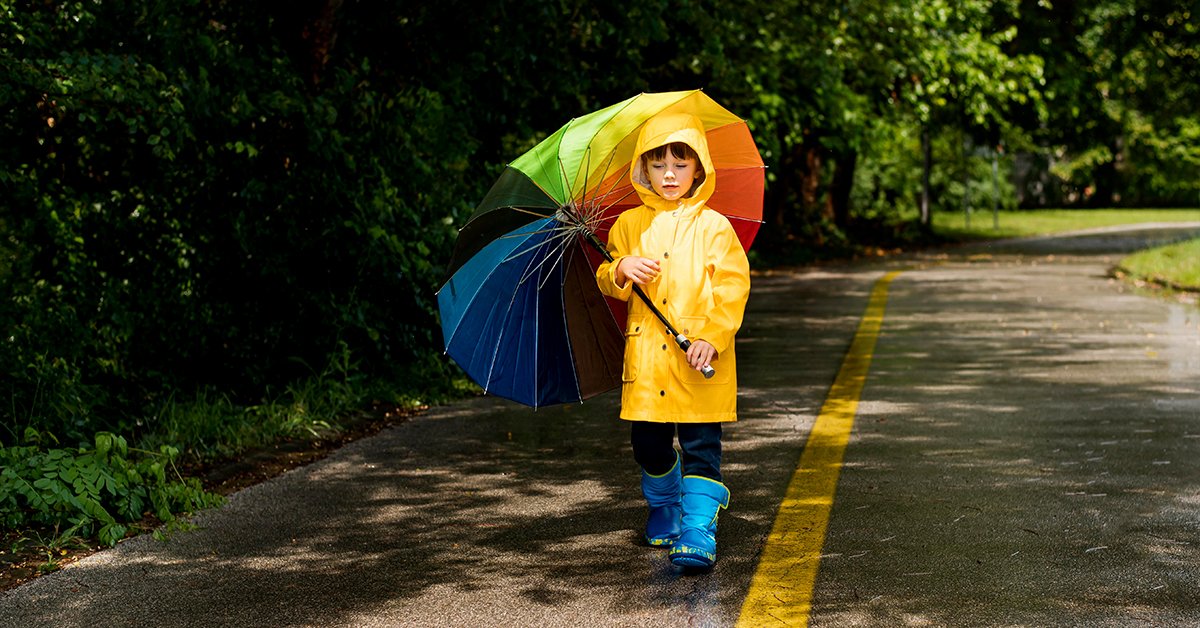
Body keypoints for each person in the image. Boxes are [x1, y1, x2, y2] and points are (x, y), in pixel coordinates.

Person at [595, 112, 751, 569]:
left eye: (680, 164)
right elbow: (607, 275)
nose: (669, 174)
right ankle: (665, 506)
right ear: (641, 169)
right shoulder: (627, 225)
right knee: (648, 444)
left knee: (703, 444)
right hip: (647, 363)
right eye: (658, 163)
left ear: (698, 169)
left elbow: (732, 288)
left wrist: (713, 336)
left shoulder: (714, 227)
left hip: (699, 359)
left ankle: (698, 528)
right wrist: (619, 270)